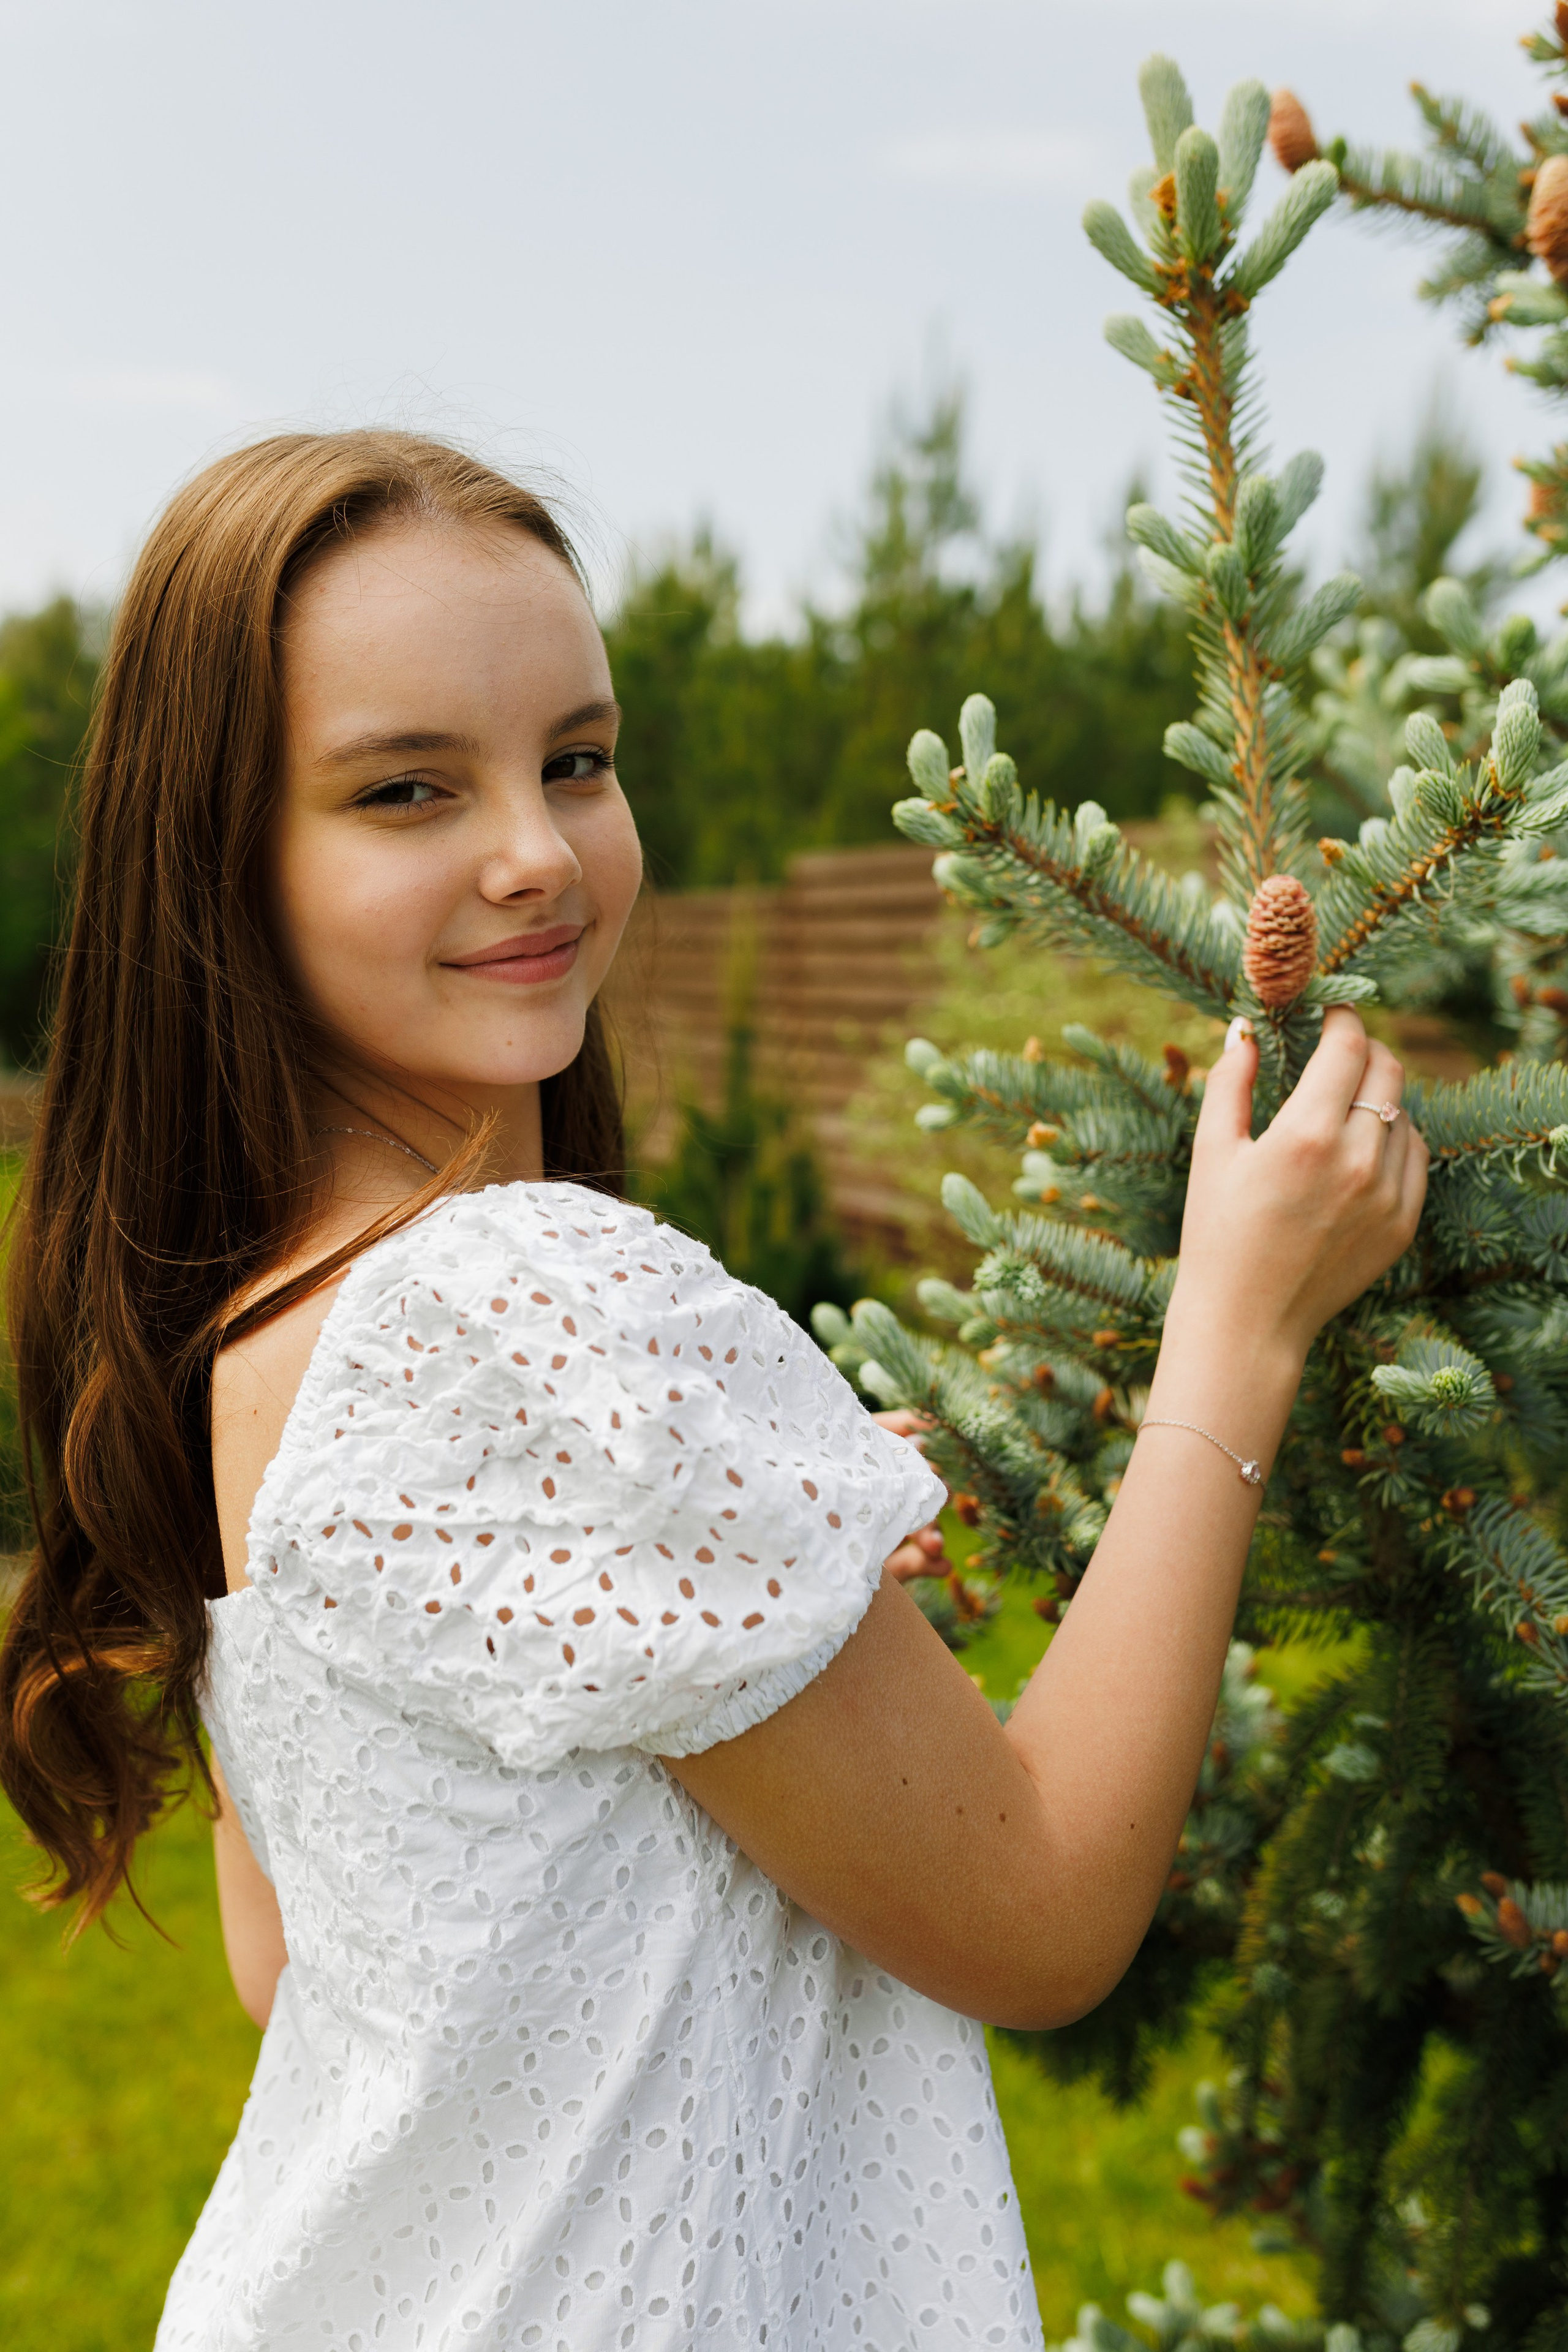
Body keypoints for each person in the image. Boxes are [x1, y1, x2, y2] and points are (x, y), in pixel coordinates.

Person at [0, 430, 1426, 2351]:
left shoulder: (265, 1325)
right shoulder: (531, 1305)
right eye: (406, 789)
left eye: (576, 760)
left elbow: (302, 1963)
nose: (535, 849)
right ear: (223, 861)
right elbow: (1043, 1913)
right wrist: (1236, 1330)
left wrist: (754, 1592)